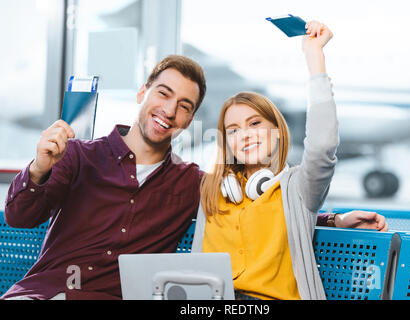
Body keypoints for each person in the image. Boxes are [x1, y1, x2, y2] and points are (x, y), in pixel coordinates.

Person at [2, 40, 385, 300]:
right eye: (163, 94)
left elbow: (268, 201)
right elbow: (20, 217)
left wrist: (332, 219)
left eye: (184, 106)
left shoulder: (193, 185)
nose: (169, 111)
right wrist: (37, 169)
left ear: (190, 120)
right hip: (44, 292)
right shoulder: (77, 156)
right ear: (143, 93)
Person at [192, 21, 387, 301]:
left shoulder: (296, 188)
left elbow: (322, 145)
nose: (245, 135)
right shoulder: (212, 190)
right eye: (233, 130)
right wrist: (332, 220)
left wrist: (315, 59)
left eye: (255, 123)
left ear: (277, 132)